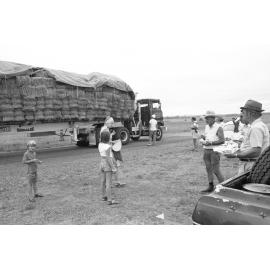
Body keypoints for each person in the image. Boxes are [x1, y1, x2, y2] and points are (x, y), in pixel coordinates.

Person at [225, 99, 270, 174]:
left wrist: (235, 155)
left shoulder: (256, 128)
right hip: (253, 163)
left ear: (250, 113)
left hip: (251, 165)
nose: (242, 113)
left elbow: (256, 151)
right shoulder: (259, 125)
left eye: (243, 111)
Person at [200, 110, 225, 193]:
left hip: (215, 151)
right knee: (208, 169)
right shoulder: (207, 127)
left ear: (213, 118)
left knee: (216, 170)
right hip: (206, 150)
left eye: (208, 118)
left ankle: (224, 188)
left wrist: (210, 142)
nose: (206, 120)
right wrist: (203, 137)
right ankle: (211, 186)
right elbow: (208, 137)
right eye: (206, 118)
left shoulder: (219, 127)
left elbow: (222, 140)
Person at [98, 130, 118, 205]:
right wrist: (113, 167)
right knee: (108, 183)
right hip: (107, 164)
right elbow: (108, 157)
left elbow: (104, 156)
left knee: (102, 181)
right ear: (108, 138)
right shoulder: (108, 147)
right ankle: (110, 200)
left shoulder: (100, 144)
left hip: (102, 163)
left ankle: (103, 196)